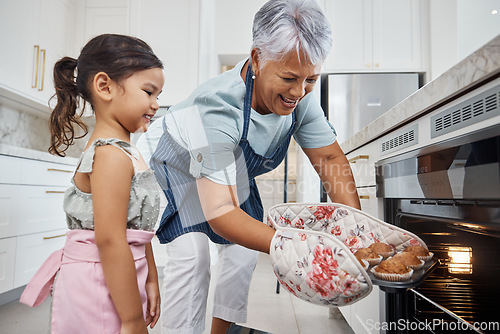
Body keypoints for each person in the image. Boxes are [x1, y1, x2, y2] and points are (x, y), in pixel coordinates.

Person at [137, 0, 361, 333]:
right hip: (174, 163)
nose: (299, 92)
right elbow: (221, 211)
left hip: (227, 167)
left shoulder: (301, 96)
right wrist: (294, 246)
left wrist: (356, 231)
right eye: (289, 78)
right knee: (193, 257)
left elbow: (329, 159)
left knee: (242, 254)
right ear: (257, 59)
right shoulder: (216, 107)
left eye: (310, 79)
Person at [20, 34, 165, 334]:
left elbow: (134, 229)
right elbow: (110, 240)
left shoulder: (126, 151)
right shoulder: (110, 155)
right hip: (100, 283)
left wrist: (151, 276)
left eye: (158, 95)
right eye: (149, 92)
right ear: (104, 86)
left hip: (121, 275)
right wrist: (132, 319)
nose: (155, 104)